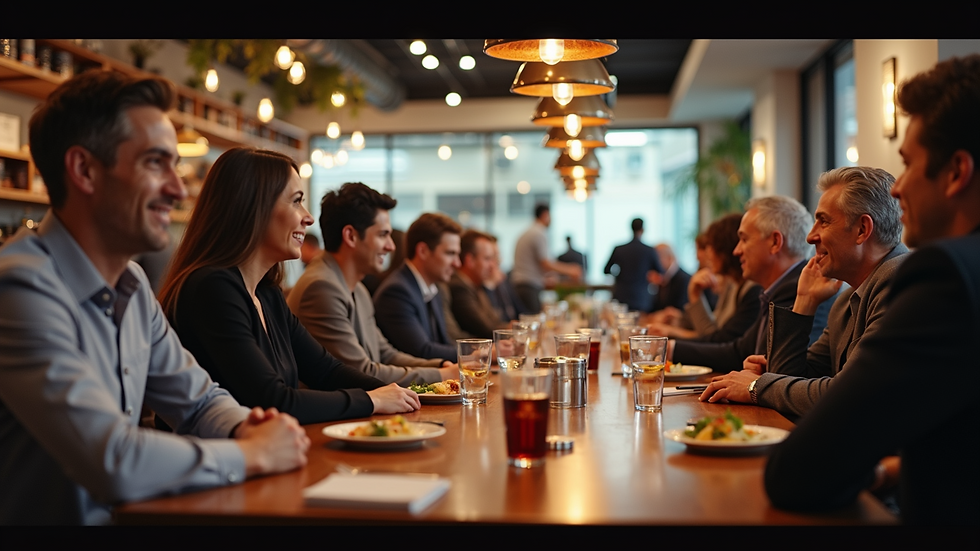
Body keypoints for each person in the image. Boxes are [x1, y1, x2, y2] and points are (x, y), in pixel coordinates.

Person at [0, 72, 310, 525]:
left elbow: (199, 401)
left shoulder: (131, 283)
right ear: (84, 170)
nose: (178, 189)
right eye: (154, 163)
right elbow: (112, 459)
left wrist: (247, 426)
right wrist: (252, 455)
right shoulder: (20, 288)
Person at [765, 55, 980, 525]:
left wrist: (764, 386)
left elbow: (797, 472)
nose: (898, 190)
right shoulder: (848, 295)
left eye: (907, 165)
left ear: (956, 173)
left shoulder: (940, 275)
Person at [159, 148, 420, 426]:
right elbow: (273, 400)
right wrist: (373, 400)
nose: (308, 218)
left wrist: (397, 394)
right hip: (217, 462)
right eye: (296, 201)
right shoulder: (212, 289)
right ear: (253, 207)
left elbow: (326, 370)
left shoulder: (267, 293)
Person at [699, 167, 908, 420]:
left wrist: (756, 387)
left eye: (824, 221)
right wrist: (804, 303)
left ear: (862, 230)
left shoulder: (899, 280)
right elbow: (790, 377)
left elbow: (850, 395)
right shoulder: (845, 300)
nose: (811, 237)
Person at [287, 183, 456, 386]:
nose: (391, 246)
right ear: (350, 236)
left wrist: (440, 367)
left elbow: (385, 354)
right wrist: (442, 376)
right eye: (382, 235)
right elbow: (360, 372)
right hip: (330, 416)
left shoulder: (356, 287)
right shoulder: (322, 288)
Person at [670, 196, 835, 372]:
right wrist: (669, 349)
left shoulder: (800, 289)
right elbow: (740, 352)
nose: (736, 250)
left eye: (744, 239)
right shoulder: (777, 289)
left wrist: (667, 348)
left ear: (775, 242)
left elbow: (783, 374)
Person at [649, 215, 762, 342]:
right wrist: (677, 322)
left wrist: (672, 339)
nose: (705, 254)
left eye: (709, 246)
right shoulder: (732, 285)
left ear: (724, 249)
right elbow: (714, 332)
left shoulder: (750, 289)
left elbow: (714, 339)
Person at [374, 212, 463, 361]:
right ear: (423, 251)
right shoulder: (397, 291)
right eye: (450, 253)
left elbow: (443, 342)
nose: (457, 263)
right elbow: (422, 351)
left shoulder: (435, 288)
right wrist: (476, 354)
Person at [511, 204, 582, 313]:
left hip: (522, 285)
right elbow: (545, 263)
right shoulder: (538, 233)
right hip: (528, 286)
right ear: (545, 215)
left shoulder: (530, 231)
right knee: (533, 323)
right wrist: (570, 270)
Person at [450, 229, 509, 338]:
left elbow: (495, 321)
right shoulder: (458, 287)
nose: (493, 266)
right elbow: (485, 329)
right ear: (470, 260)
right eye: (487, 259)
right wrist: (516, 332)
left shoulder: (476, 285)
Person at [604, 218, 663, 312]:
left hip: (621, 295)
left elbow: (606, 270)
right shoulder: (649, 250)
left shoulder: (619, 249)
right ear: (643, 230)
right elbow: (660, 271)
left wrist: (619, 275)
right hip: (641, 298)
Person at [648, 243, 691, 313]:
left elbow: (682, 312)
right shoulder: (661, 278)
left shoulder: (685, 280)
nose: (654, 263)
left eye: (657, 259)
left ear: (669, 258)